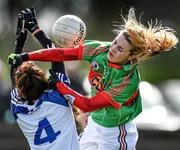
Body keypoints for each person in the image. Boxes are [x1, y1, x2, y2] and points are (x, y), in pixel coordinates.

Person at [8, 8, 178, 150]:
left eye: (120, 49)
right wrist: (25, 56)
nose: (112, 49)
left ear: (132, 57)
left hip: (116, 133)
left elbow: (88, 105)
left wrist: (59, 85)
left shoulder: (127, 82)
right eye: (114, 43)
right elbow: (61, 54)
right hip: (95, 125)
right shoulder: (99, 50)